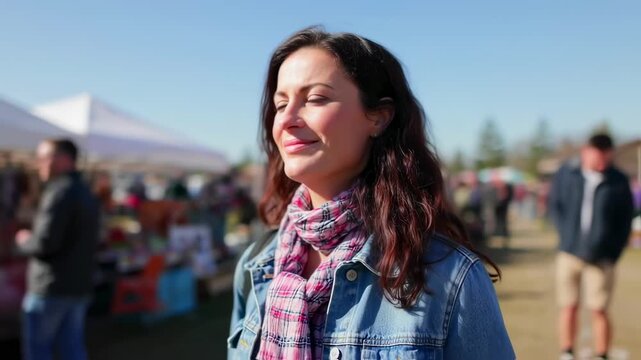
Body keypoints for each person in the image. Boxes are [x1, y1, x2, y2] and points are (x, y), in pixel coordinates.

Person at [228, 27, 514, 360]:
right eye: (281, 104)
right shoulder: (256, 265)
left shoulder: (450, 277)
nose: (288, 119)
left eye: (316, 98)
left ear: (377, 118)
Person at [548, 134, 634, 360]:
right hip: (569, 253)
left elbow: (625, 220)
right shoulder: (568, 174)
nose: (602, 162)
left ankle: (602, 353)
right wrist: (566, 236)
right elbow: (555, 206)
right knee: (568, 306)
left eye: (607, 157)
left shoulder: (618, 180)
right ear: (586, 152)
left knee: (599, 308)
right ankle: (566, 351)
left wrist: (613, 252)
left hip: (601, 257)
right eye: (598, 156)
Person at [15, 139, 99, 360]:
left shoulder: (60, 192)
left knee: (39, 350)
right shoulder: (85, 192)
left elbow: (45, 243)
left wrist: (24, 240)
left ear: (62, 159)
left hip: (52, 287)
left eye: (44, 158)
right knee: (72, 347)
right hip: (78, 285)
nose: (39, 164)